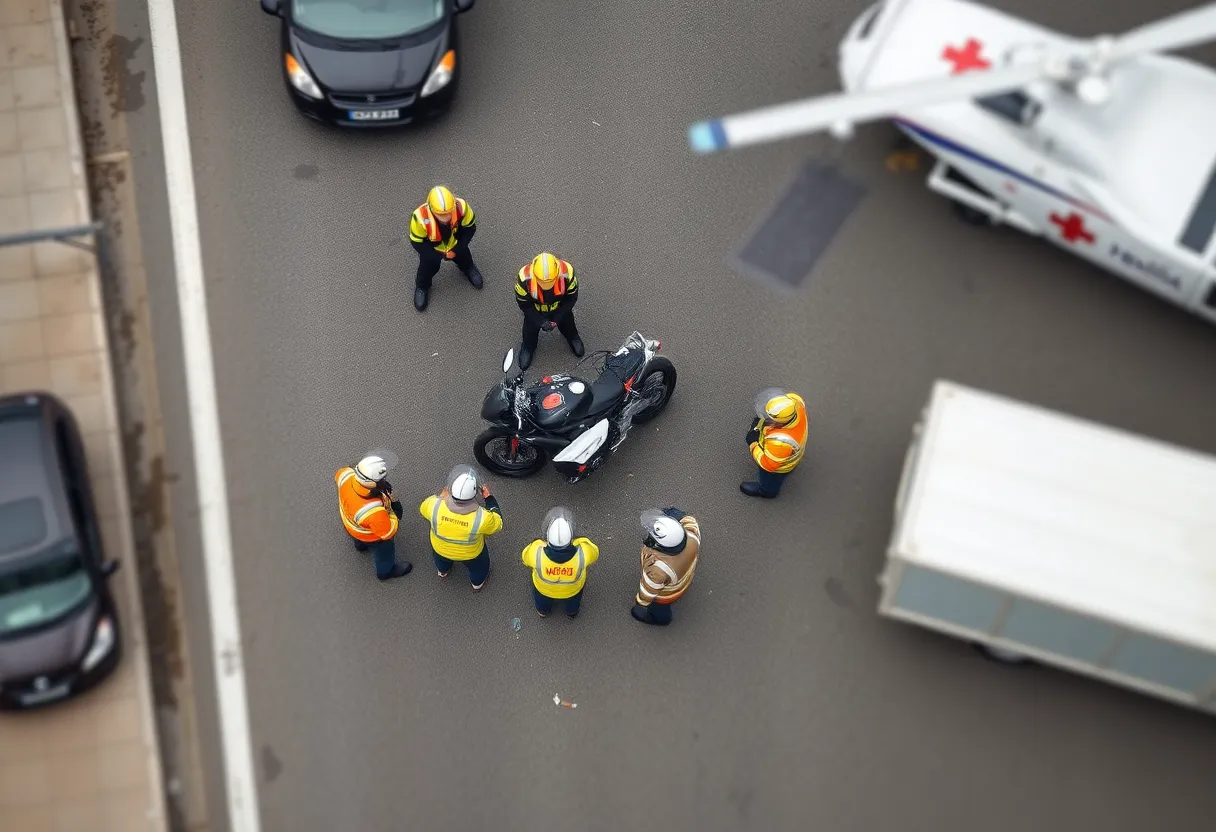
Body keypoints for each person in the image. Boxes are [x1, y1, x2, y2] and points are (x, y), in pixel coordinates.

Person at [418, 464, 502, 590]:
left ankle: (443, 571)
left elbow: (422, 509)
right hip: (471, 554)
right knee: (480, 568)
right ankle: (477, 583)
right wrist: (489, 499)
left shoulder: (433, 505)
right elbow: (498, 524)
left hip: (440, 548)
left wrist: (441, 497)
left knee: (441, 560)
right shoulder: (482, 517)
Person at [334, 455, 413, 581]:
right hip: (371, 536)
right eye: (381, 479)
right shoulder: (373, 511)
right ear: (370, 483)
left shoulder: (346, 476)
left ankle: (360, 546)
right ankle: (386, 572)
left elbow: (339, 474)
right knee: (384, 553)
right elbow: (388, 532)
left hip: (351, 525)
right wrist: (391, 511)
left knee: (359, 540)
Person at [408, 185, 483, 312]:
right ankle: (422, 287)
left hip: (456, 243)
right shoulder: (419, 217)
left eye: (448, 213)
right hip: (433, 249)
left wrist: (457, 249)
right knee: (426, 269)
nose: (446, 217)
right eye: (441, 215)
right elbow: (417, 242)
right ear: (431, 209)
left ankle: (469, 268)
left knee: (465, 258)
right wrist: (434, 256)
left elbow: (470, 228)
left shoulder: (462, 207)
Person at [521, 507, 600, 618]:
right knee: (574, 600)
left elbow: (525, 558)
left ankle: (542, 611)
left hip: (544, 589)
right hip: (572, 589)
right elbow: (595, 553)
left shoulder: (536, 551)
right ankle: (571, 612)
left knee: (542, 600)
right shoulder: (584, 551)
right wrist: (580, 541)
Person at [514, 252, 584, 371]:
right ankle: (528, 347)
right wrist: (540, 321)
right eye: (542, 282)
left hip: (560, 308)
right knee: (529, 331)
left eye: (550, 282)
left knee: (568, 325)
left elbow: (571, 298)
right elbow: (525, 305)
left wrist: (557, 318)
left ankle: (573, 337)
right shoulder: (524, 278)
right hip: (535, 312)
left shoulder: (567, 273)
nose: (547, 285)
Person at [632, 507, 700, 626]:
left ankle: (660, 619)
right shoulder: (691, 537)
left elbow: (649, 590)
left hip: (669, 592)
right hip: (686, 574)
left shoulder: (657, 570)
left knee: (659, 606)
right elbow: (691, 523)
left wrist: (641, 601)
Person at [741, 388, 808, 498]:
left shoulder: (780, 442)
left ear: (780, 421)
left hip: (779, 465)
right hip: (790, 455)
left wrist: (753, 443)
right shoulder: (795, 404)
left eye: (771, 418)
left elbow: (768, 464)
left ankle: (766, 491)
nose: (768, 419)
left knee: (769, 478)